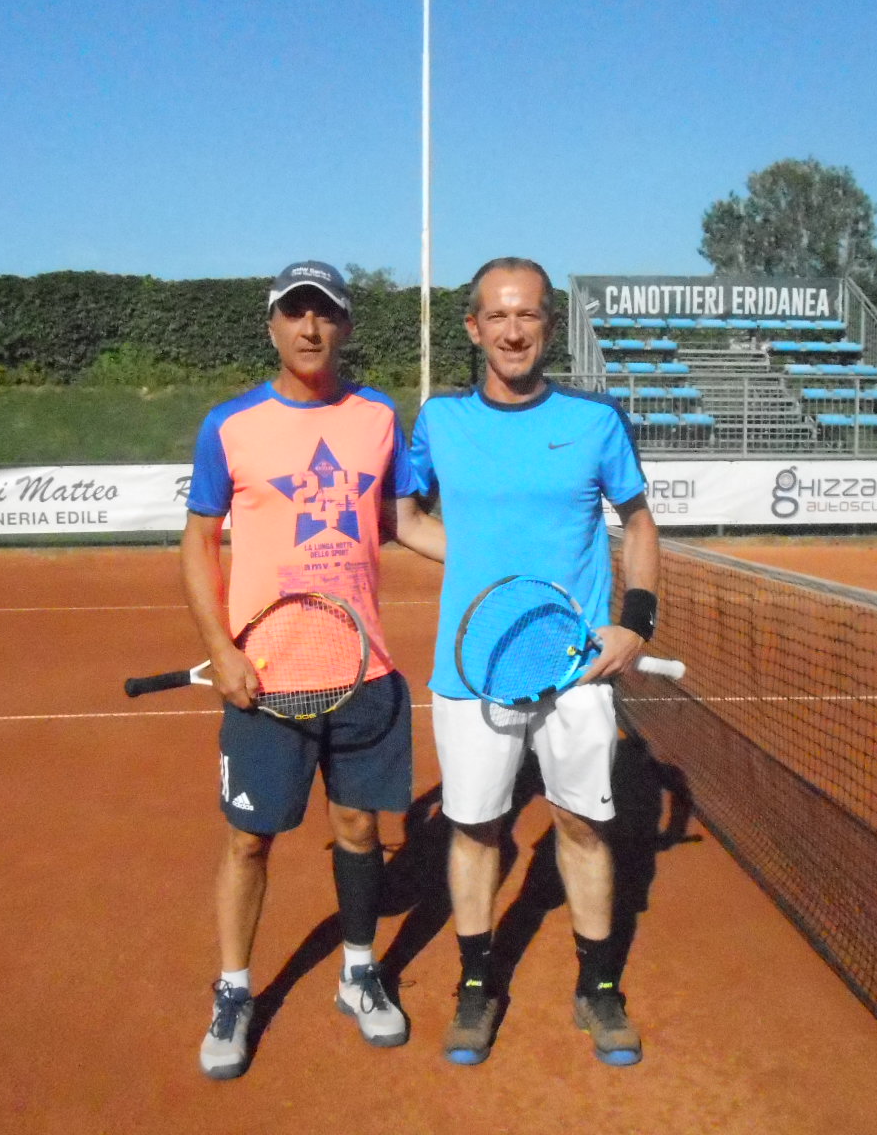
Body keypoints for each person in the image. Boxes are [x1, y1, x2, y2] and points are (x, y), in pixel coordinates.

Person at [181, 260, 444, 1081]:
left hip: (364, 672)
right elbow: (197, 541)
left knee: (359, 829)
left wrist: (499, 556)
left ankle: (359, 974)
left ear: (346, 326)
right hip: (265, 678)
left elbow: (404, 521)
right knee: (248, 839)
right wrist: (222, 649)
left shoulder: (378, 416)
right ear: (271, 326)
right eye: (294, 312)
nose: (309, 327)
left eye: (325, 313)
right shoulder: (229, 426)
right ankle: (234, 990)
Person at [409, 256, 662, 1067]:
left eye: (528, 316)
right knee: (476, 827)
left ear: (549, 326)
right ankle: (476, 985)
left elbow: (639, 521)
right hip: (472, 670)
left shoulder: (595, 420)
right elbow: (403, 517)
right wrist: (478, 567)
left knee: (582, 826)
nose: (513, 331)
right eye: (498, 315)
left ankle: (599, 987)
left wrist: (636, 624)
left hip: (576, 668)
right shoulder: (440, 421)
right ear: (473, 327)